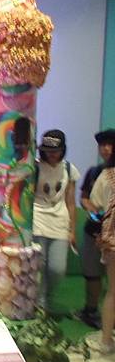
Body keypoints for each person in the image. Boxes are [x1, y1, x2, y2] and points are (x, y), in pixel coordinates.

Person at [33, 130, 80, 312]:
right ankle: (40, 302)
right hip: (38, 218)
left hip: (60, 221)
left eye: (55, 151)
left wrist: (72, 230)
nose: (51, 154)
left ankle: (47, 295)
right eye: (47, 151)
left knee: (57, 268)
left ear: (63, 150)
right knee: (39, 264)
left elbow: (71, 201)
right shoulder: (35, 166)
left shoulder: (69, 169)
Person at [77, 129, 115, 328]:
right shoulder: (94, 172)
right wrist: (92, 210)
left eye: (110, 144)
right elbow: (84, 197)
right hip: (93, 231)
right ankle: (90, 310)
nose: (106, 149)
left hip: (112, 237)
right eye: (102, 145)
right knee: (92, 274)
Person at [90, 150, 115, 354]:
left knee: (113, 291)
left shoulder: (106, 175)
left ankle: (106, 341)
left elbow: (95, 205)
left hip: (111, 241)